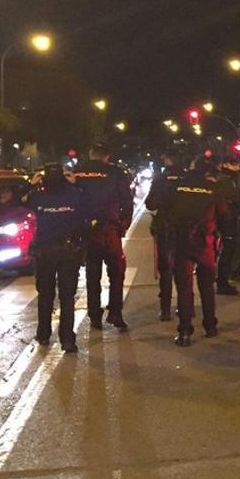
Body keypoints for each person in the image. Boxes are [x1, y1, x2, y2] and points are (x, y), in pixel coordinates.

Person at [161, 158, 228, 346]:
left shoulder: (176, 187)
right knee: (207, 286)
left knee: (184, 288)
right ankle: (210, 326)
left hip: (180, 241)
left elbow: (162, 208)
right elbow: (224, 214)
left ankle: (184, 331)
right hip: (204, 242)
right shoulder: (213, 189)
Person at [73, 142, 133, 331]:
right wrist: (123, 225)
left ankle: (94, 316)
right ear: (107, 156)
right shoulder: (116, 173)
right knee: (116, 272)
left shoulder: (78, 172)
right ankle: (115, 313)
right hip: (110, 230)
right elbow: (127, 201)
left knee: (92, 274)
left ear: (91, 154)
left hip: (87, 231)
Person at [27, 163, 86, 352]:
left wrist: (30, 185)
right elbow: (87, 211)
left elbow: (18, 203)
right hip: (68, 251)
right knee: (67, 297)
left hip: (45, 252)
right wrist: (75, 184)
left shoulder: (37, 196)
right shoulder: (75, 195)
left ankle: (44, 334)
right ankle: (67, 339)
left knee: (45, 295)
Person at [145, 150, 183, 320]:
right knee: (184, 269)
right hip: (185, 228)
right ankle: (185, 306)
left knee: (165, 269)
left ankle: (165, 309)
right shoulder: (187, 178)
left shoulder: (160, 179)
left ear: (168, 160)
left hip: (165, 228)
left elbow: (150, 204)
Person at [214, 156, 240, 295]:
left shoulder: (234, 178)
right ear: (225, 164)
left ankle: (224, 279)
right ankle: (222, 281)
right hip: (227, 219)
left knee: (230, 248)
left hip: (233, 218)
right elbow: (238, 195)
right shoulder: (225, 179)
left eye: (238, 164)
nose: (237, 167)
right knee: (227, 250)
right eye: (233, 164)